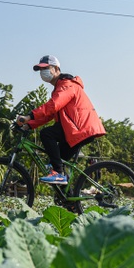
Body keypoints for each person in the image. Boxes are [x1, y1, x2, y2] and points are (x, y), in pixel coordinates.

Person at [16, 55, 106, 184]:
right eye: (41, 70)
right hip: (77, 129)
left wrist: (29, 116)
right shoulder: (59, 87)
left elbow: (53, 106)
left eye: (46, 68)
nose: (43, 72)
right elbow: (49, 115)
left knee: (46, 134)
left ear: (57, 68)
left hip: (80, 128)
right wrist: (28, 125)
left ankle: (58, 173)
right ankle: (68, 200)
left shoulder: (67, 85)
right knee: (57, 164)